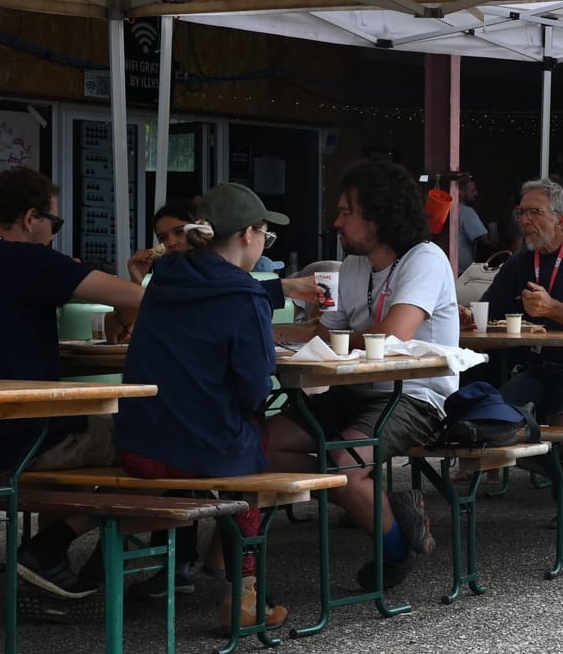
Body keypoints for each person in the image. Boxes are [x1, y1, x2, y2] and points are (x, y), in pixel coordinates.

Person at [0, 166, 145, 597]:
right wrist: (126, 298)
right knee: (156, 441)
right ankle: (49, 548)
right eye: (54, 223)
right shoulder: (30, 260)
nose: (54, 235)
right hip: (23, 441)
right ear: (30, 218)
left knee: (70, 426)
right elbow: (139, 298)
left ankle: (51, 564)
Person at [265, 160, 456, 590]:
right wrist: (272, 334)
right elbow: (326, 332)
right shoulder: (353, 264)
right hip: (354, 389)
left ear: (377, 215)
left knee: (345, 469)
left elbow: (393, 336)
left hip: (414, 395)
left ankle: (397, 549)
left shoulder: (426, 259)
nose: (336, 222)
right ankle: (385, 502)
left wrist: (329, 338)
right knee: (263, 446)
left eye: (345, 212)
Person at [117, 183, 296, 629]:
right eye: (266, 235)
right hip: (203, 452)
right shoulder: (245, 296)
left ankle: (185, 567)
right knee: (252, 447)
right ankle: (244, 592)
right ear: (249, 234)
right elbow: (255, 388)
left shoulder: (163, 279)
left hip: (138, 443)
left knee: (230, 436)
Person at [477, 177, 563, 513]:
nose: (524, 220)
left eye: (534, 213)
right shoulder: (520, 261)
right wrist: (466, 315)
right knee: (485, 425)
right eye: (521, 213)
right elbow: (487, 308)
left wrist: (552, 308)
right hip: (539, 367)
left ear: (560, 219)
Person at [126, 199, 200, 283]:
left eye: (179, 232)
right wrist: (137, 279)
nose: (171, 243)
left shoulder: (212, 275)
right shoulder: (161, 277)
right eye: (163, 237)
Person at [451, 174, 488, 271]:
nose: (476, 193)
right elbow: (484, 239)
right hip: (463, 271)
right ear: (461, 193)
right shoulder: (467, 212)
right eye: (472, 191)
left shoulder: (451, 210)